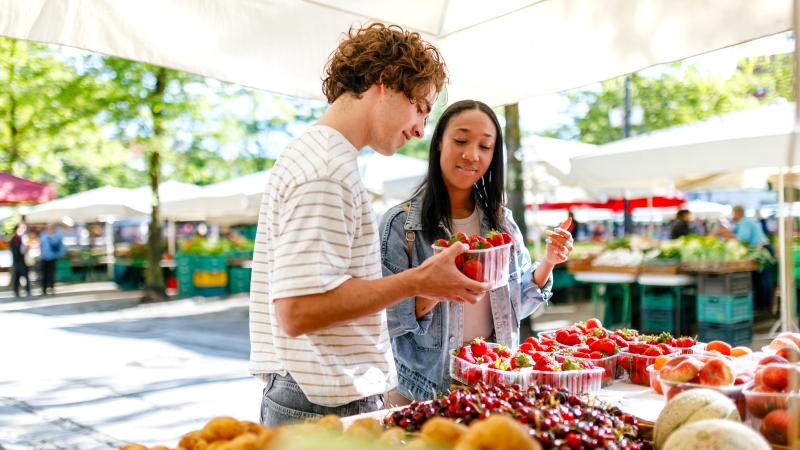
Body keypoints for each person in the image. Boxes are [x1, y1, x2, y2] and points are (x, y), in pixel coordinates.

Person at [250, 23, 490, 427]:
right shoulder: (326, 171)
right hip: (322, 404)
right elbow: (297, 310)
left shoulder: (321, 156)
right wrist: (418, 281)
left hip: (313, 396)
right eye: (420, 107)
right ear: (386, 82)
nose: (419, 129)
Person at [380, 100, 573, 402]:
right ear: (439, 142)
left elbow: (515, 306)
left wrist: (549, 261)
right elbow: (384, 319)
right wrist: (437, 288)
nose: (472, 155)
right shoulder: (401, 225)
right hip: (425, 391)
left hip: (495, 384)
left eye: (485, 146)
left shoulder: (502, 223)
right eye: (460, 140)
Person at [39, 224, 65, 295]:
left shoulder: (57, 237)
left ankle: (51, 288)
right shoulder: (43, 236)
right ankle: (44, 289)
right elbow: (40, 246)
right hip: (44, 258)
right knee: (44, 274)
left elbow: (61, 247)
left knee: (51, 274)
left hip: (52, 258)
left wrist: (59, 255)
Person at [9, 223, 32, 298]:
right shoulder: (15, 238)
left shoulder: (23, 237)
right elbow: (19, 251)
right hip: (18, 261)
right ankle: (17, 291)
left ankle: (25, 291)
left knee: (23, 277)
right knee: (18, 277)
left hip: (22, 261)